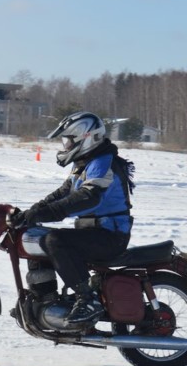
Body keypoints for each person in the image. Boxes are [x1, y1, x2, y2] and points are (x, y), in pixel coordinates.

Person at [9, 111, 135, 325]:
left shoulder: (104, 163)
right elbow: (62, 193)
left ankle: (88, 300)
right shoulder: (85, 163)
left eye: (69, 141)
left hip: (111, 236)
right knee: (36, 236)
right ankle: (44, 300)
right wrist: (30, 213)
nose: (65, 146)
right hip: (92, 232)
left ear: (86, 138)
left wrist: (43, 213)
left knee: (55, 240)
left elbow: (87, 197)